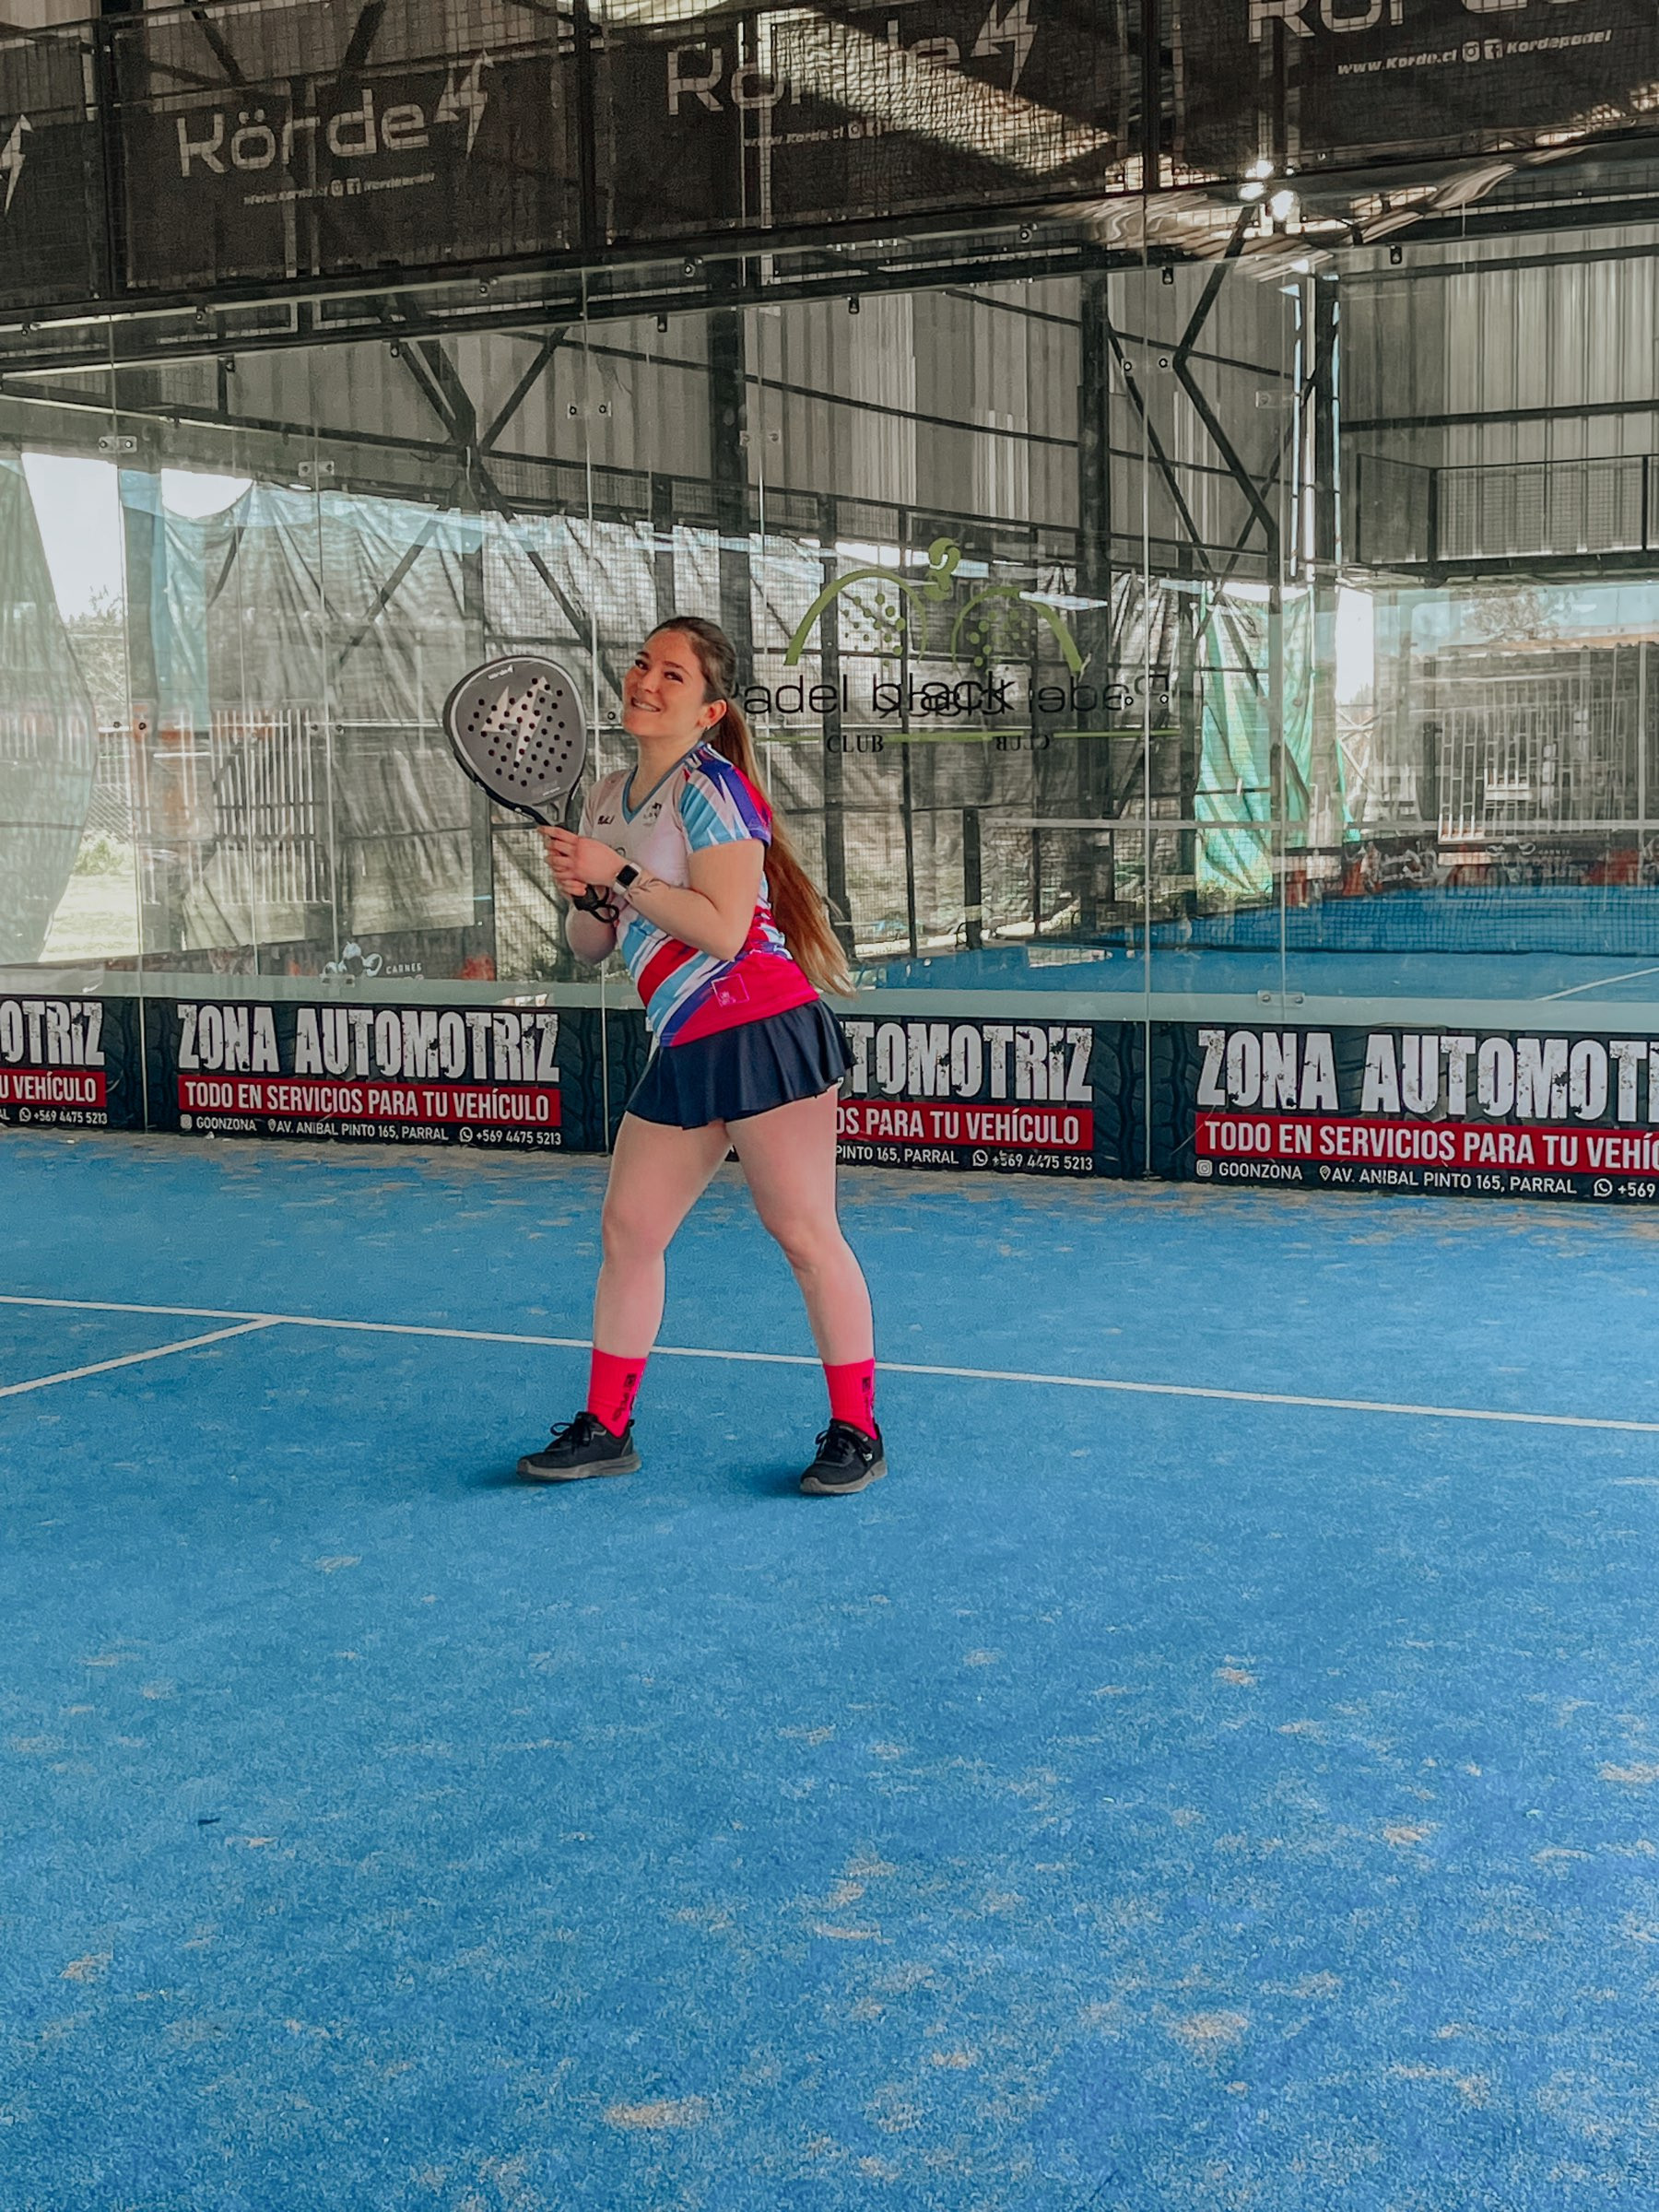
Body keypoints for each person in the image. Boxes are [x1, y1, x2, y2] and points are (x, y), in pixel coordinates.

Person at [517, 616, 885, 1497]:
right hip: (683, 1039)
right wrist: (588, 895)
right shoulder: (605, 796)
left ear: (711, 710)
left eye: (673, 675)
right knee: (629, 1231)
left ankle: (858, 1431)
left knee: (804, 1235)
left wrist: (619, 874)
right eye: (643, 663)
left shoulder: (714, 789)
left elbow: (723, 932)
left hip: (763, 1027)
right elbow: (592, 947)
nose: (646, 682)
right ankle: (607, 1428)